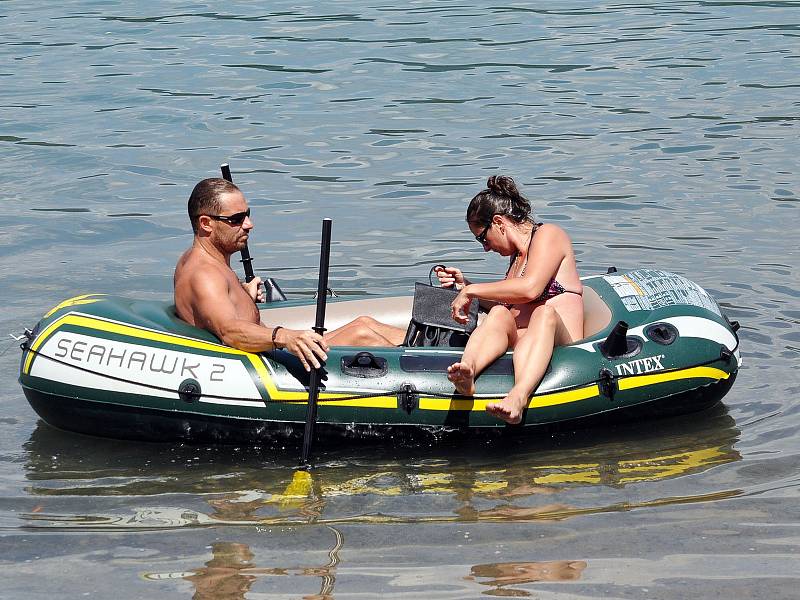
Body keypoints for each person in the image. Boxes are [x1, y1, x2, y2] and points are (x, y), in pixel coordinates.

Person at [174, 178, 405, 371]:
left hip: (269, 353)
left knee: (363, 324)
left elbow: (215, 307)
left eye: (248, 214)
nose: (249, 224)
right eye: (236, 219)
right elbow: (229, 331)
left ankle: (433, 348)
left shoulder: (203, 262)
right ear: (206, 223)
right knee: (363, 336)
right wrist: (286, 337)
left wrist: (241, 295)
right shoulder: (205, 274)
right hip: (271, 365)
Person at [438, 175, 584, 424]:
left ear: (498, 222)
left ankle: (519, 396)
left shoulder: (549, 235)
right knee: (498, 314)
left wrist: (472, 292)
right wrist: (467, 285)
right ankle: (468, 371)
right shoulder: (516, 258)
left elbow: (530, 290)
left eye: (482, 238)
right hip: (524, 343)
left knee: (544, 313)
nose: (485, 247)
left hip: (563, 343)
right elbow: (511, 305)